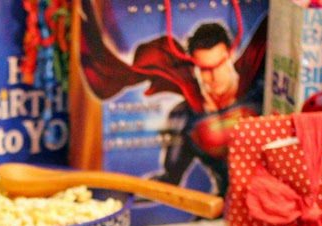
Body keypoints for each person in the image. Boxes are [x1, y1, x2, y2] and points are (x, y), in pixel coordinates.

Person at [79, 1, 266, 195]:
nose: (213, 77)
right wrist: (127, 193)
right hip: (223, 207)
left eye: (219, 65)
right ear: (194, 69)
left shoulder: (257, 85)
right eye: (204, 69)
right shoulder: (185, 116)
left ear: (231, 56)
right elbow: (171, 178)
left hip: (271, 198)